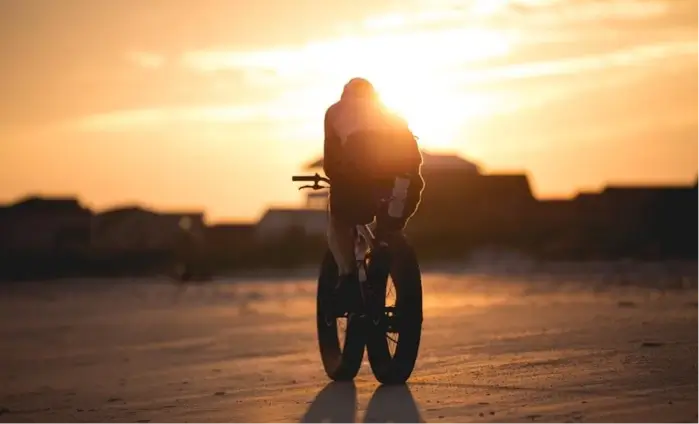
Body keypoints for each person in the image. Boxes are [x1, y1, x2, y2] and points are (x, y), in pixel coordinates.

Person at [323, 77, 424, 313]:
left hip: (358, 186)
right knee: (389, 229)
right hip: (405, 184)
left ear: (345, 94)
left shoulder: (336, 112)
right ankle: (390, 267)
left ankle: (348, 279)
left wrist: (340, 178)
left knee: (340, 219)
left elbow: (332, 165)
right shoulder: (394, 116)